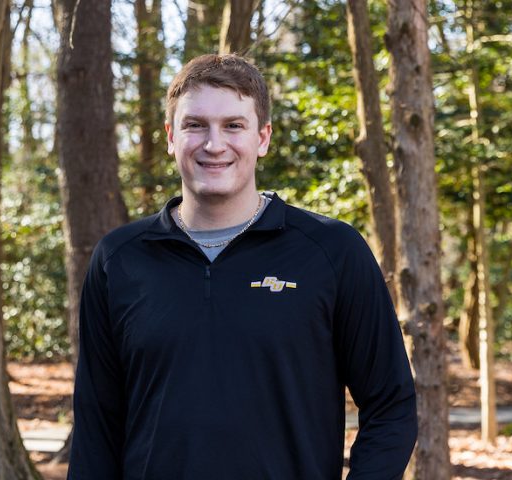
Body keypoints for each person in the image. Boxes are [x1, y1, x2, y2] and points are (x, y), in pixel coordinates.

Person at [67, 54, 417, 480]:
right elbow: (96, 423)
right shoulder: (119, 259)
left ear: (263, 137)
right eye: (195, 125)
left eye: (233, 125)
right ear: (171, 137)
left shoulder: (333, 251)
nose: (214, 144)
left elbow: (391, 404)